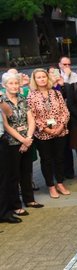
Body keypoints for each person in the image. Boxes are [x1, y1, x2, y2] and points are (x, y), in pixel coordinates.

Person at [2, 73, 43, 217]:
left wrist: (29, 138)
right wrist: (22, 139)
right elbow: (6, 125)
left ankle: (29, 199)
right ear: (4, 86)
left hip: (27, 139)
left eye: (16, 83)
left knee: (27, 171)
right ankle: (16, 205)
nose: (14, 86)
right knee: (14, 175)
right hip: (12, 143)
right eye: (11, 83)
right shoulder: (2, 101)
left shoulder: (23, 99)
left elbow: (31, 119)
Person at [27, 68, 71, 198]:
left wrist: (61, 126)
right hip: (43, 134)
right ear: (34, 80)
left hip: (60, 132)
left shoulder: (56, 93)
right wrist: (47, 129)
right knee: (46, 160)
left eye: (43, 77)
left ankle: (60, 183)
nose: (42, 79)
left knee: (60, 158)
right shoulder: (31, 96)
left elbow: (65, 111)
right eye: (38, 77)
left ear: (48, 78)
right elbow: (33, 116)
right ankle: (51, 186)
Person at [0, 89, 20, 223]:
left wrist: (0, 100)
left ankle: (4, 213)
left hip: (1, 141)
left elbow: (9, 112)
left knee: (3, 178)